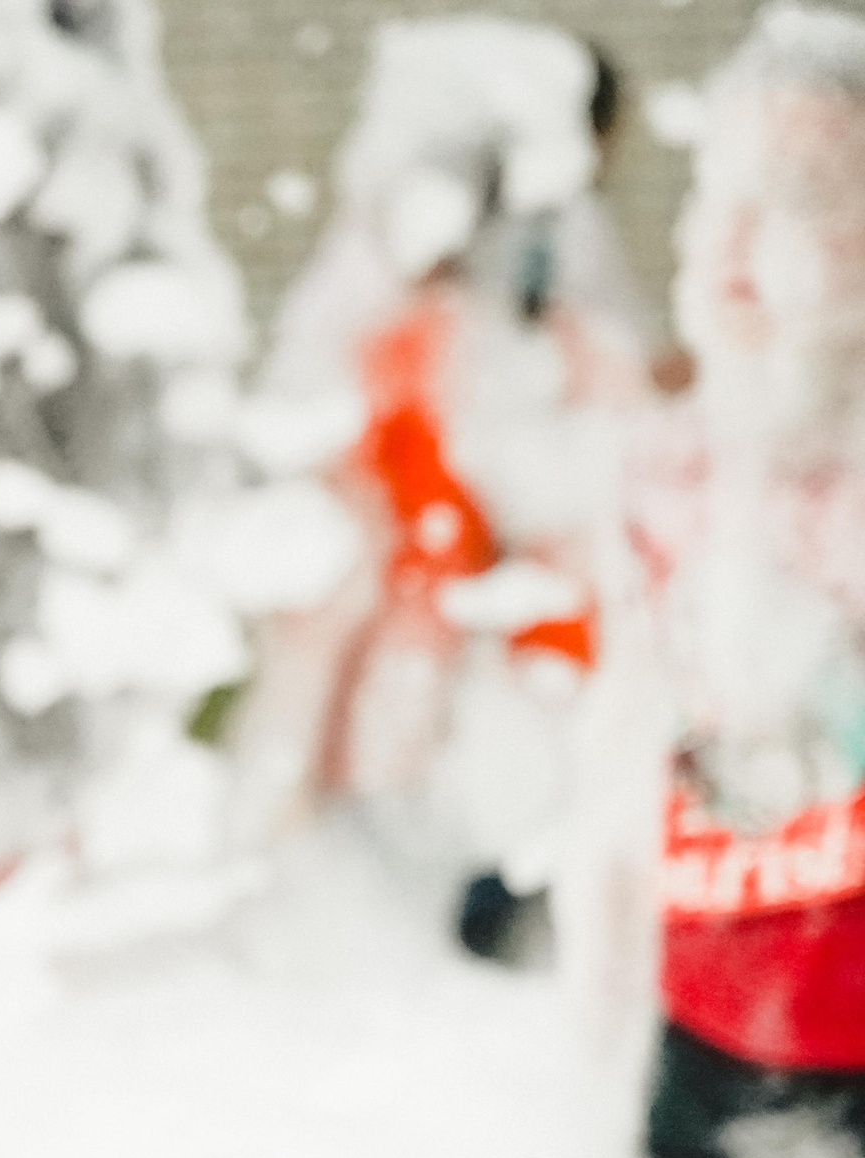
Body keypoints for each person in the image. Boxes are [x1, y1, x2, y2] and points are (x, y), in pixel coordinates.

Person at [246, 18, 650, 964]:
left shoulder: (525, 246)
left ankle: (459, 900)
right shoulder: (470, 256)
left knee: (448, 737)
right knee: (446, 736)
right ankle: (455, 903)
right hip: (450, 550)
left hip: (463, 561)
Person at [594, 6, 865, 1158]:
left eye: (807, 197)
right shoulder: (674, 469)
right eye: (725, 200)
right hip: (710, 1008)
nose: (744, 250)